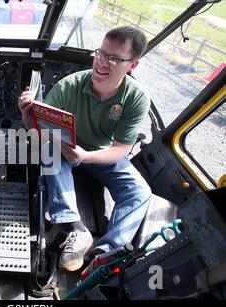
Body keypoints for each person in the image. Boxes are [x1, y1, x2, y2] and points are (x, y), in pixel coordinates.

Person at [18, 26, 152, 272]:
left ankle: (107, 252)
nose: (102, 62)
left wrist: (88, 156)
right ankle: (75, 228)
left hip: (102, 153)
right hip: (65, 149)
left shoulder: (136, 97)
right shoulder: (69, 86)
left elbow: (121, 148)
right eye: (101, 53)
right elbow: (42, 132)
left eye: (114, 58)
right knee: (48, 149)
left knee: (140, 191)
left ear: (132, 65)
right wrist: (29, 119)